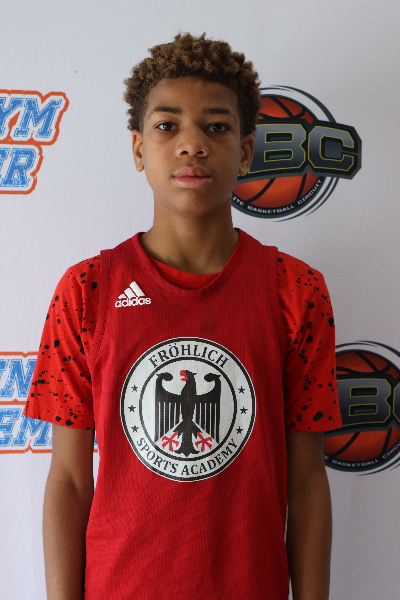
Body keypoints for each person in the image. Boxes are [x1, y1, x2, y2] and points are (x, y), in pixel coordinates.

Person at [24, 32, 342, 600]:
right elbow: (69, 480)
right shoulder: (87, 291)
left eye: (216, 127)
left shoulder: (295, 291)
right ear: (138, 148)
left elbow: (308, 481)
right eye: (167, 125)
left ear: (245, 151)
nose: (191, 144)